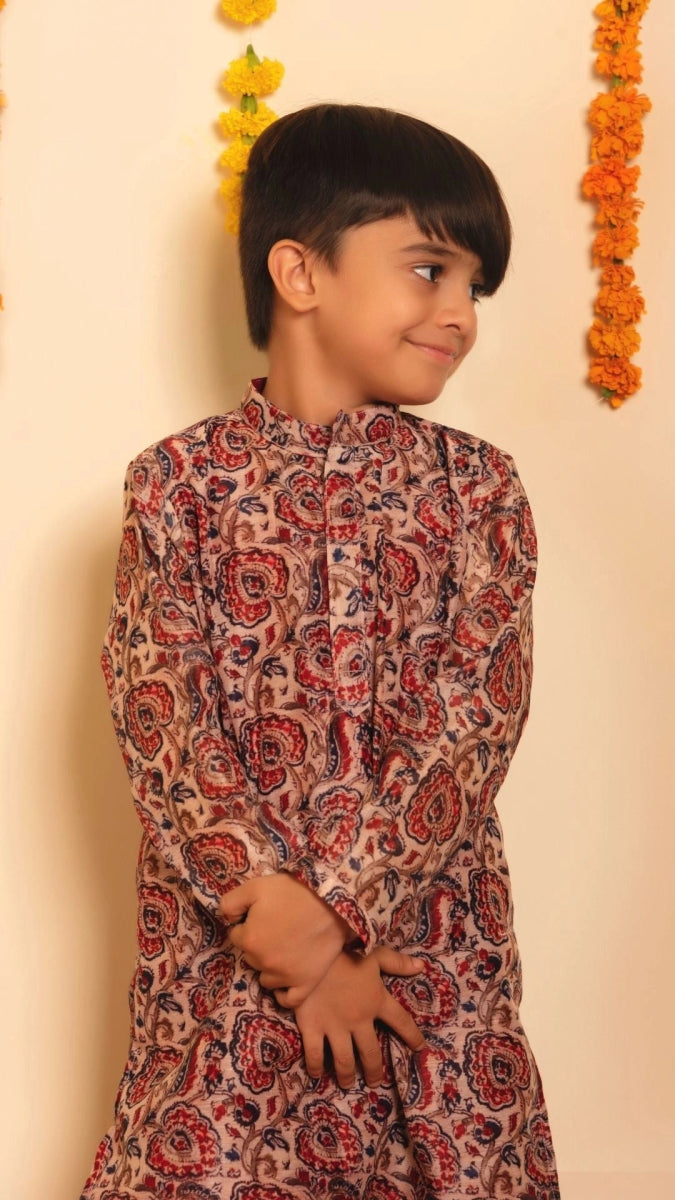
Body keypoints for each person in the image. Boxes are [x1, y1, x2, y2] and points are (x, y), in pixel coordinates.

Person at [80, 103, 560, 1200]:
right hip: (228, 961)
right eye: (430, 269)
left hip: (426, 958)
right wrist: (276, 921)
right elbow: (160, 714)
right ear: (300, 273)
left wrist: (334, 920)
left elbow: (474, 723)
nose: (460, 314)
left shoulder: (479, 490)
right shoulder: (178, 485)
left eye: (474, 288)